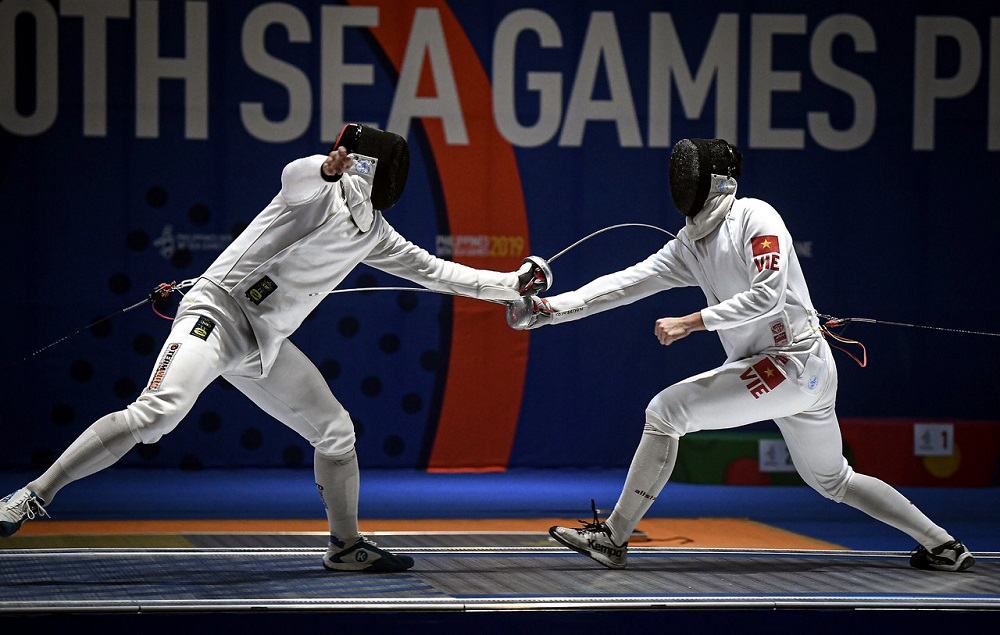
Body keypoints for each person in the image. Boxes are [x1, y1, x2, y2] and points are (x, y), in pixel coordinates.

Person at [0, 124, 549, 573]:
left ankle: (346, 546)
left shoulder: (376, 235)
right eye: (340, 157)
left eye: (350, 157)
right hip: (214, 316)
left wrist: (510, 283)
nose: (340, 161)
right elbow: (297, 175)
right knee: (159, 412)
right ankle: (30, 496)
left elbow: (436, 272)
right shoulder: (314, 190)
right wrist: (325, 167)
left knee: (336, 431)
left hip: (262, 344)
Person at [509, 138, 974, 573]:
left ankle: (613, 538)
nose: (680, 182)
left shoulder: (756, 218)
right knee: (834, 481)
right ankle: (943, 546)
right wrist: (549, 310)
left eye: (689, 173)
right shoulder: (690, 245)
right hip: (784, 372)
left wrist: (694, 321)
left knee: (667, 411)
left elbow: (768, 296)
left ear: (715, 180)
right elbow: (624, 284)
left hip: (793, 364)